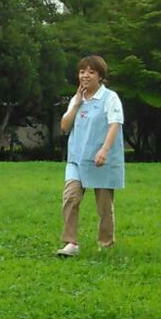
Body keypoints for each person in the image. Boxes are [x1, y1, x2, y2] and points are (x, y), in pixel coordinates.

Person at [56, 54, 125, 257]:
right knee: (70, 197)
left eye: (91, 72)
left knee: (104, 206)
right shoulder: (76, 99)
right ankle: (71, 243)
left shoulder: (110, 98)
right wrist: (76, 104)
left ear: (100, 77)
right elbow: (64, 127)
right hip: (77, 158)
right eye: (82, 71)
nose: (85, 75)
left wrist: (104, 149)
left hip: (100, 160)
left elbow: (115, 123)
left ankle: (106, 244)